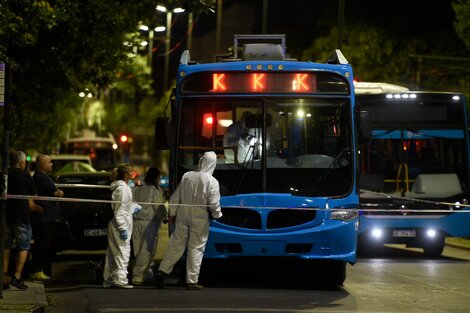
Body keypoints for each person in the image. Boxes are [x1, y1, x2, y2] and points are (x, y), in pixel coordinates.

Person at [155, 151, 222, 290]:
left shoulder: (187, 176)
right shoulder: (212, 181)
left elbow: (175, 197)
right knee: (196, 248)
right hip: (200, 215)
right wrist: (217, 215)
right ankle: (191, 281)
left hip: (182, 213)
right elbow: (214, 203)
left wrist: (172, 214)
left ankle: (162, 270)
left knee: (176, 244)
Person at [3, 150, 42, 290]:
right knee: (23, 247)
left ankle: (3, 277)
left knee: (6, 247)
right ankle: (17, 277)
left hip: (5, 217)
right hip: (21, 217)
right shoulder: (25, 175)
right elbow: (33, 193)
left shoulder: (4, 174)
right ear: (21, 163)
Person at [103, 163, 140, 289]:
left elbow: (123, 208)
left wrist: (131, 208)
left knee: (114, 252)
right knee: (122, 252)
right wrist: (122, 228)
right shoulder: (122, 189)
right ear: (125, 174)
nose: (133, 172)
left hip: (119, 223)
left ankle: (109, 278)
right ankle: (120, 280)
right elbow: (119, 211)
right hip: (120, 226)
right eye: (130, 171)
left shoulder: (123, 187)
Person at [131, 167, 167, 285]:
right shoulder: (154, 190)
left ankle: (146, 274)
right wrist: (165, 217)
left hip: (135, 222)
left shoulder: (137, 188)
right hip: (149, 223)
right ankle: (138, 276)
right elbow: (158, 207)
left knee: (138, 250)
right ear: (156, 177)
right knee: (147, 251)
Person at [31, 154, 63, 281]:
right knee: (42, 244)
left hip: (45, 217)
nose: (52, 164)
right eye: (49, 162)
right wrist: (60, 193)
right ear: (43, 165)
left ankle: (40, 270)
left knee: (44, 244)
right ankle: (37, 270)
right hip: (43, 218)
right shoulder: (41, 178)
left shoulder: (42, 177)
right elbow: (56, 193)